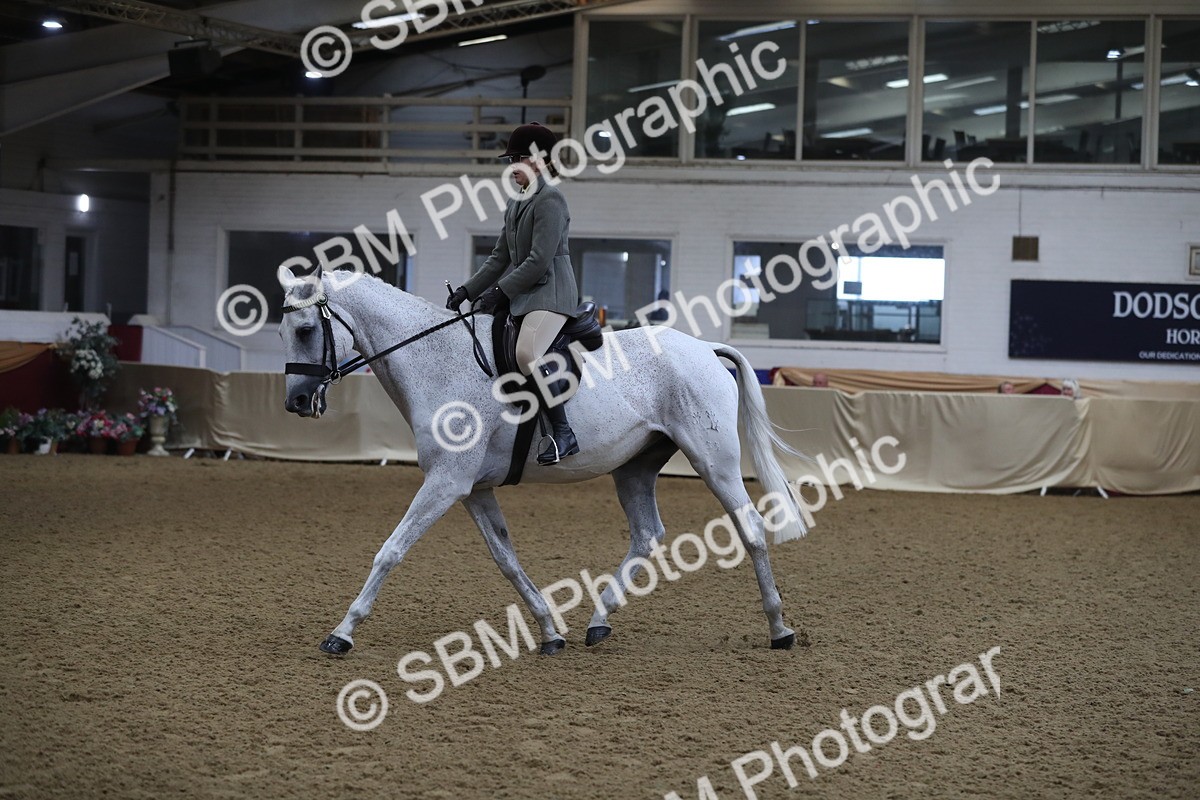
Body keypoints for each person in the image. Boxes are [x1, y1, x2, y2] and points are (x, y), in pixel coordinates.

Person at [446, 122, 581, 465]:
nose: (511, 167)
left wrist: (499, 293)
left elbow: (538, 262)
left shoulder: (551, 199)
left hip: (551, 294)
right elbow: (500, 257)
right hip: (525, 295)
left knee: (526, 354)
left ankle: (563, 433)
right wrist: (468, 290)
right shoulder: (517, 200)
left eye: (517, 158)